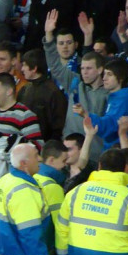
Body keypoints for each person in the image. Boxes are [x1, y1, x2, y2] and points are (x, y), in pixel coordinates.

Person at [0, 143, 54, 255]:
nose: (40, 159)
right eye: (35, 155)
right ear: (23, 164)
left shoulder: (4, 181)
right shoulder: (24, 191)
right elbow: (30, 234)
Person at [44, 10, 108, 160]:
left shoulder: (108, 93)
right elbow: (55, 65)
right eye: (83, 68)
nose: (84, 72)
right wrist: (48, 35)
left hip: (95, 154)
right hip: (69, 153)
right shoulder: (75, 83)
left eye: (89, 69)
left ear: (100, 70)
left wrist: (88, 36)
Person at [72, 58, 128, 150]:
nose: (104, 78)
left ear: (121, 78)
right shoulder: (116, 96)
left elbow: (109, 126)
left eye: (109, 74)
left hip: (118, 152)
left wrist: (86, 114)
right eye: (104, 74)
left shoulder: (124, 98)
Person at [17, 49, 67, 141]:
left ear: (34, 68)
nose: (22, 69)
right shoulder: (25, 89)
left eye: (24, 65)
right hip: (24, 143)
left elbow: (58, 126)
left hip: (45, 146)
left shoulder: (53, 92)